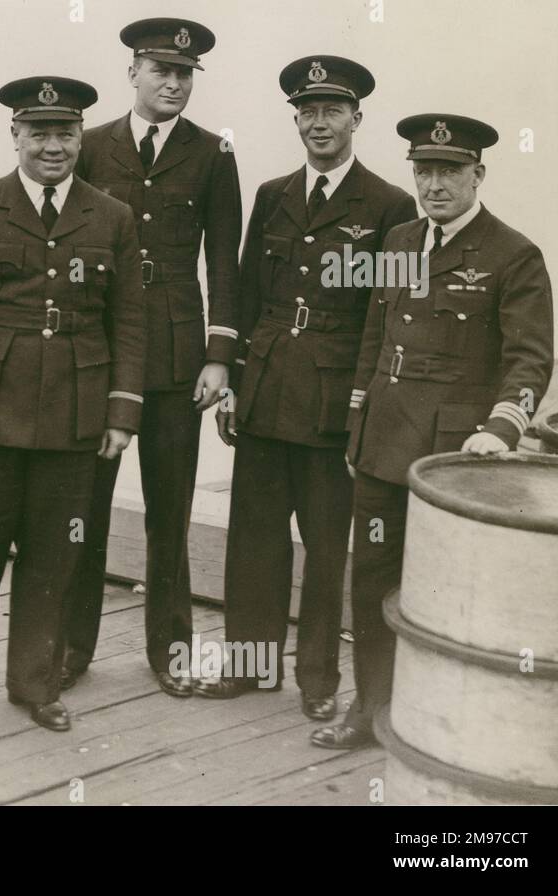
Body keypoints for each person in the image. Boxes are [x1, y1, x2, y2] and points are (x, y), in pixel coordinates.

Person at [312, 114, 554, 749]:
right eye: (425, 170)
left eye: (450, 171)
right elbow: (375, 337)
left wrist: (503, 428)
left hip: (455, 454)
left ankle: (448, 716)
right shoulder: (395, 243)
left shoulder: (513, 253)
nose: (436, 183)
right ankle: (371, 706)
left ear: (479, 174)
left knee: (453, 584)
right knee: (370, 575)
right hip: (384, 442)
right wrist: (356, 423)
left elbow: (529, 358)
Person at [0, 76, 147, 732]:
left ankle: (36, 684)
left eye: (66, 133)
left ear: (82, 136)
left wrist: (121, 415)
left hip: (75, 419)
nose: (54, 146)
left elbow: (128, 322)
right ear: (15, 135)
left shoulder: (112, 217)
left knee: (56, 558)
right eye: (39, 133)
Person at [198, 57, 417, 721]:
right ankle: (250, 667)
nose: (319, 123)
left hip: (331, 405)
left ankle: (318, 678)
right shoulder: (272, 195)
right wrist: (232, 381)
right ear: (295, 118)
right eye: (308, 111)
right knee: (254, 541)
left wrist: (363, 404)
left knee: (326, 548)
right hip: (265, 392)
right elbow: (245, 288)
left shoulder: (389, 206)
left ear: (357, 119)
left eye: (333, 111)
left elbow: (393, 312)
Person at [63, 17, 241, 697]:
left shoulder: (213, 153)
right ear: (132, 72)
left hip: (174, 355)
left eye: (185, 74)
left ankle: (170, 649)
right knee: (86, 504)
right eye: (161, 70)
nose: (173, 84)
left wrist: (219, 356)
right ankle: (72, 647)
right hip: (103, 353)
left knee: (171, 507)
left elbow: (224, 258)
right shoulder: (92, 145)